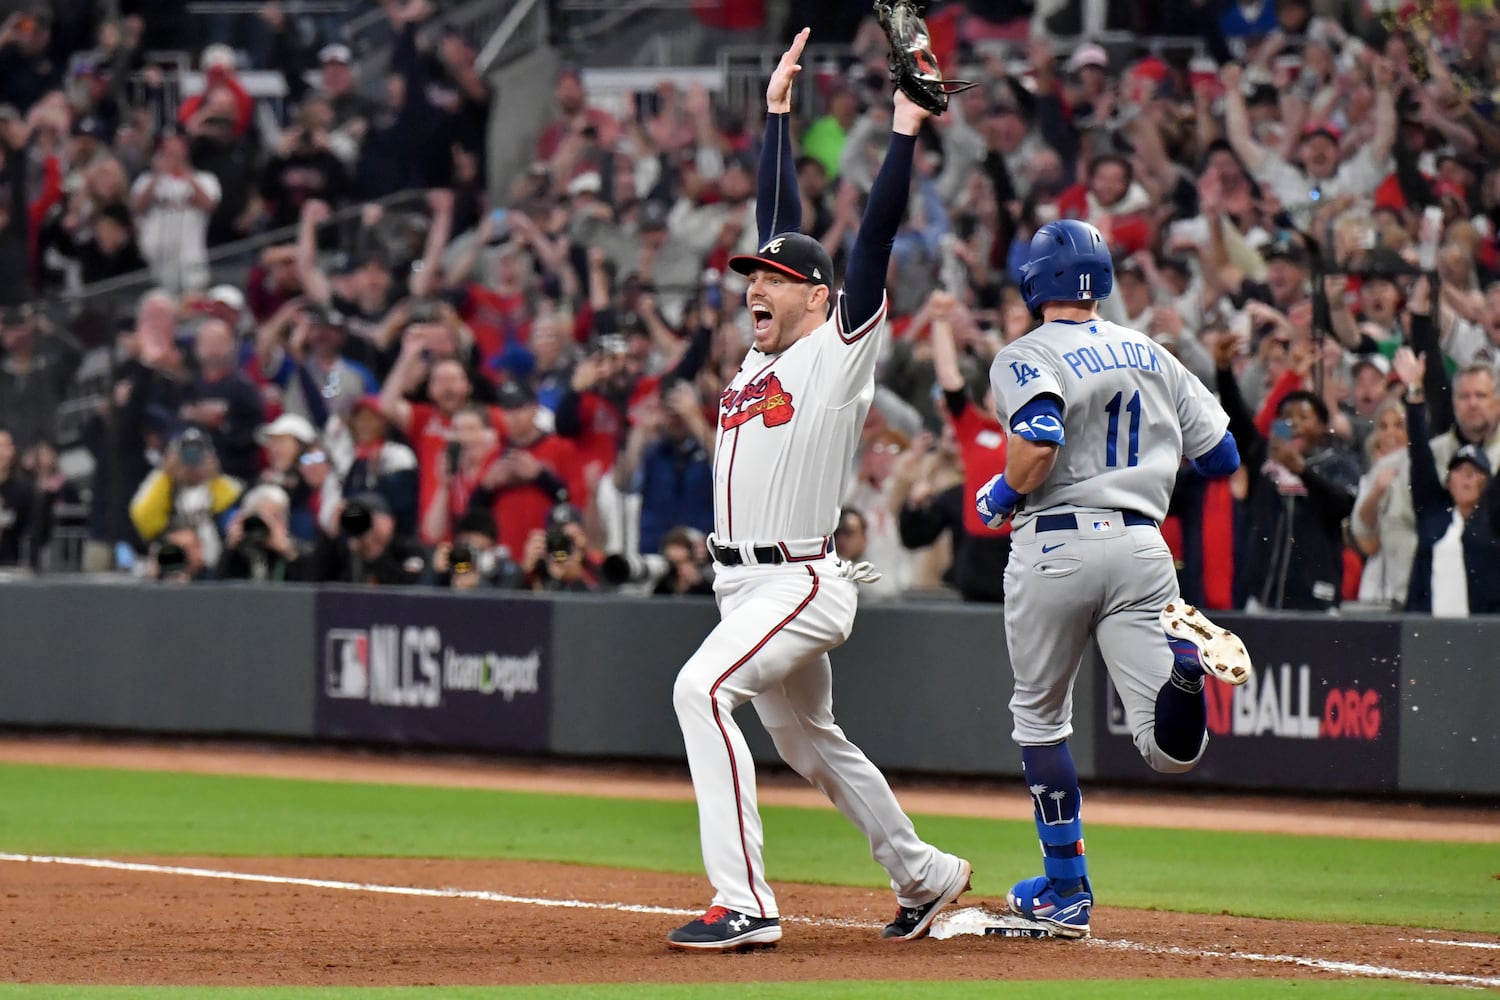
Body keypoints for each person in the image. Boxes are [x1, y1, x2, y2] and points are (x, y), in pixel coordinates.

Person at [667, 30, 970, 954]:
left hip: (798, 580)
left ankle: (747, 901)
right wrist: (774, 120)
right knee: (808, 742)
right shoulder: (761, 354)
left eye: (776, 280)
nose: (756, 286)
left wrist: (904, 131)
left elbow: (869, 239)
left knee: (700, 690)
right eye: (752, 277)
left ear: (819, 299)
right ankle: (923, 872)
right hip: (740, 583)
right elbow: (780, 220)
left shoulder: (835, 356)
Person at [973, 218, 1252, 939]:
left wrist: (1003, 495)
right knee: (1170, 750)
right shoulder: (1151, 351)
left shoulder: (1025, 352)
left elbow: (1038, 435)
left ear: (1035, 283)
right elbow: (1222, 456)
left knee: (1040, 720)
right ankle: (1187, 677)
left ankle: (1066, 890)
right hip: (1142, 547)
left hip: (1056, 544)